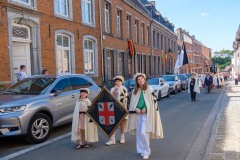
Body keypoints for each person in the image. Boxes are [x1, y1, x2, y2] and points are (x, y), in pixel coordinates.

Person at [127, 73, 163, 160]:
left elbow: (153, 102)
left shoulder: (149, 89)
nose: (140, 81)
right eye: (138, 80)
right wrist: (136, 108)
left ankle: (147, 151)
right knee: (139, 133)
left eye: (142, 79)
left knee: (144, 132)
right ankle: (141, 150)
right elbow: (133, 103)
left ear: (144, 79)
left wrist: (145, 108)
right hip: (138, 114)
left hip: (147, 114)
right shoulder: (136, 91)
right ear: (137, 81)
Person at [106, 76, 128, 145]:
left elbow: (125, 99)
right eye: (116, 81)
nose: (118, 82)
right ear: (115, 82)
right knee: (113, 123)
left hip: (122, 107)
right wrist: (115, 91)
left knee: (122, 122)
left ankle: (122, 137)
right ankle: (112, 139)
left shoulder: (124, 88)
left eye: (119, 81)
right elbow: (110, 97)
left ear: (121, 82)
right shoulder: (112, 89)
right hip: (113, 108)